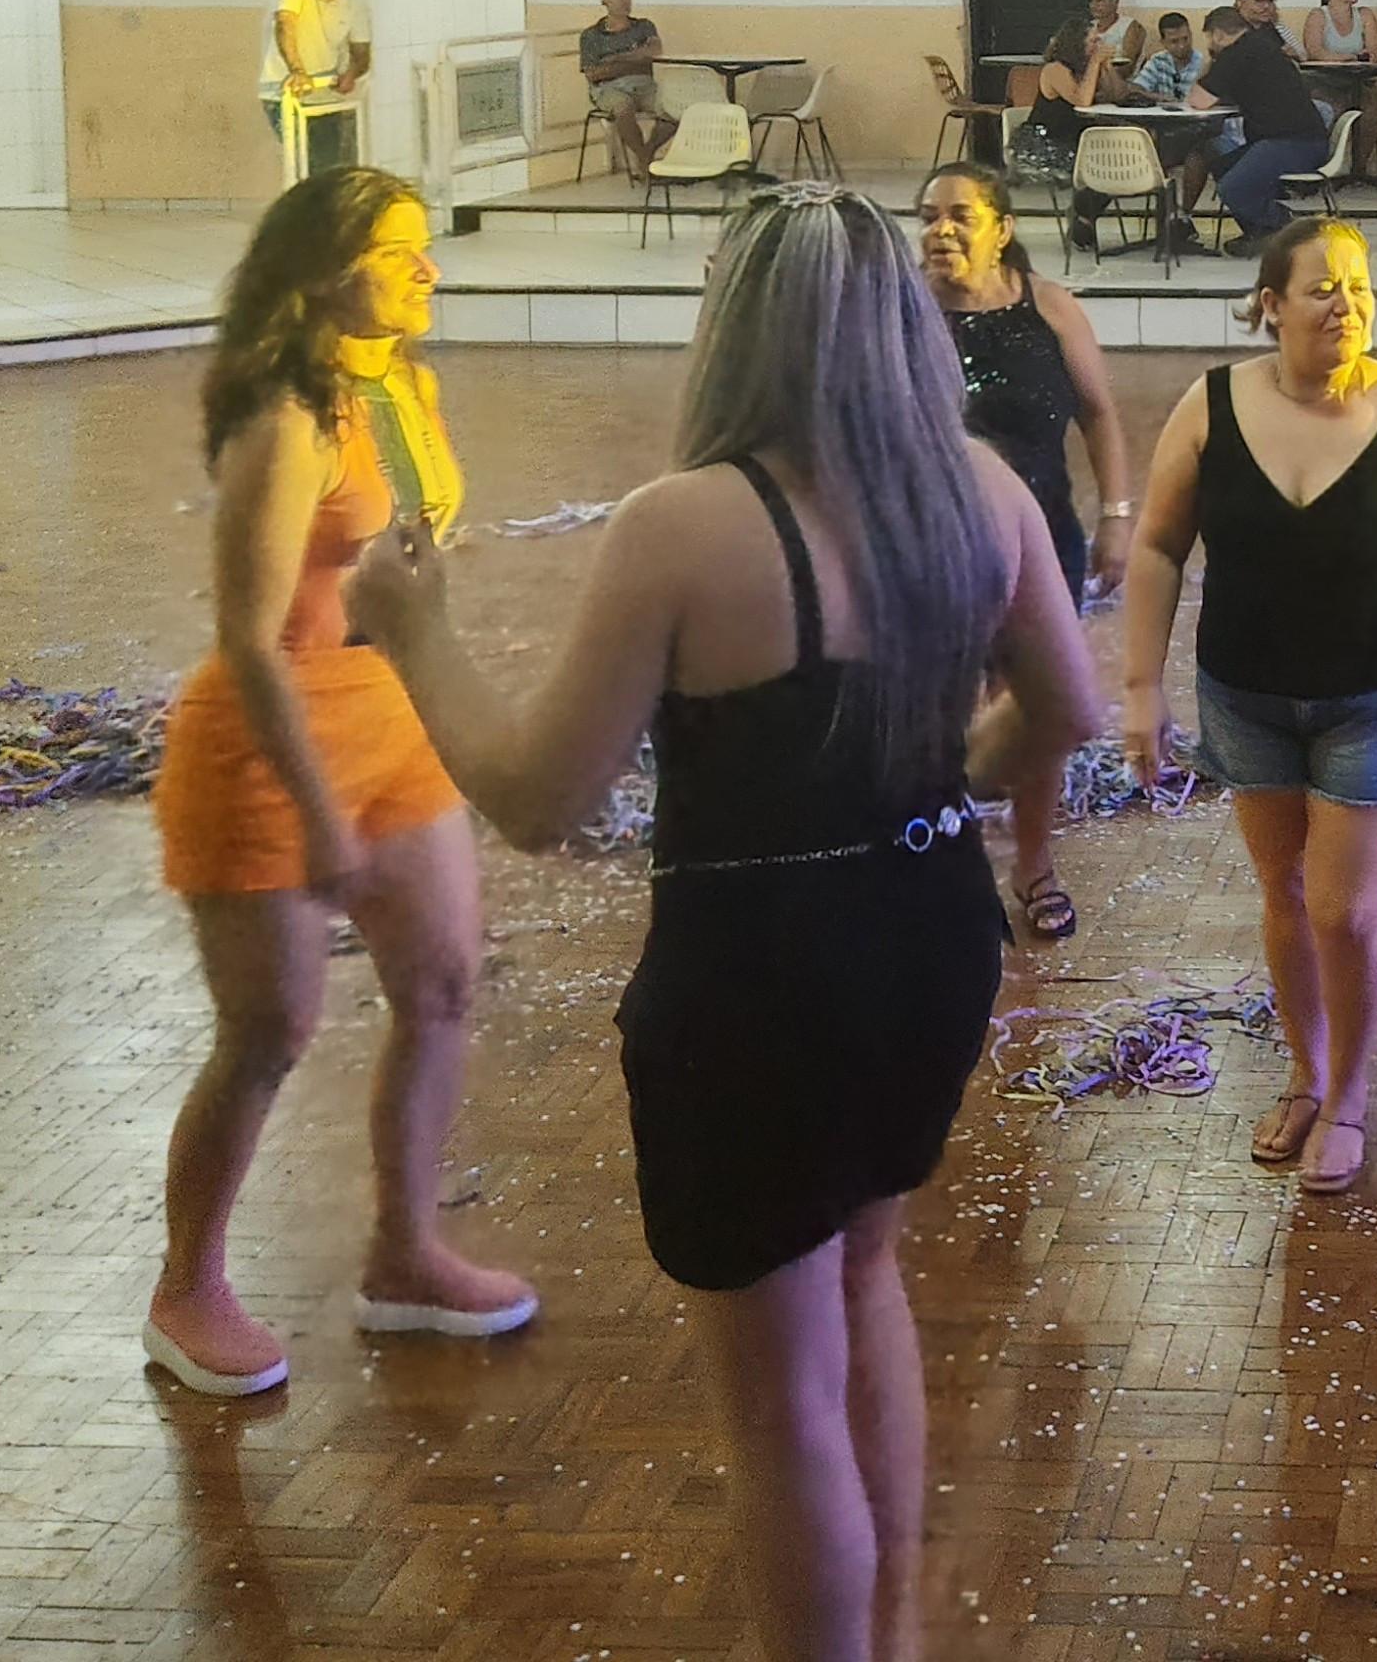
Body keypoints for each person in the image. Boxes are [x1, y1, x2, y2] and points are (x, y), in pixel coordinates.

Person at [348, 187, 1101, 1662]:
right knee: (865, 1269)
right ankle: (886, 1635)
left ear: (734, 331)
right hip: (929, 944)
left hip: (760, 981)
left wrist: (418, 633)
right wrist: (930, 797)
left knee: (774, 1406)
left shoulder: (682, 527)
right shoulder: (981, 494)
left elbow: (539, 798)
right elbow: (1067, 712)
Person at [143, 169, 534, 1399]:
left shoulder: (405, 387)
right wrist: (316, 813)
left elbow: (412, 559)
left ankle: (404, 1255)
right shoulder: (288, 420)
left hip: (388, 719)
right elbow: (252, 637)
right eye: (401, 250)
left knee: (443, 982)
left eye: (426, 248)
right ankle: (187, 1286)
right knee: (270, 1034)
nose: (430, 268)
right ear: (322, 271)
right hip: (269, 742)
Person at [1124, 219, 1377, 1195]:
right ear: (1269, 302)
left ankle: (1346, 1095)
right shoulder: (1210, 405)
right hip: (1244, 694)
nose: (1345, 304)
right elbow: (1160, 546)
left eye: (1358, 286)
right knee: (1284, 894)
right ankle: (1304, 1072)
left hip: (1375, 700)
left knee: (1343, 910)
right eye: (1322, 288)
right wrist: (1138, 688)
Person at [919, 162, 1135, 944]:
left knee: (1037, 709)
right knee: (938, 712)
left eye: (959, 216)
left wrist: (1115, 516)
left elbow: (1100, 415)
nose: (940, 229)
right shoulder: (899, 310)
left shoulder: (1049, 308)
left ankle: (1034, 866)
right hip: (929, 546)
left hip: (1040, 539)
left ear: (1002, 228)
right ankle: (944, 859)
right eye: (928, 215)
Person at [1189, 3, 1331, 241]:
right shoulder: (1263, 45)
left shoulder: (1235, 54)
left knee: (1231, 188)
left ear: (1218, 34)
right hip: (1306, 141)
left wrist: (1211, 62)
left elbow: (1198, 100)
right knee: (1221, 163)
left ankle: (1289, 227)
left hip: (1291, 144)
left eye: (1210, 38)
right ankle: (1259, 234)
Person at [258, 0, 370, 162]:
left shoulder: (353, 4)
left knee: (335, 163)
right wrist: (298, 71)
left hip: (325, 94)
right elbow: (285, 24)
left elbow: (361, 53)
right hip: (284, 93)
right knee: (304, 161)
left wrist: (350, 75)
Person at [1132, 10, 1241, 231]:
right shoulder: (1158, 62)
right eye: (1174, 41)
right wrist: (1160, 97)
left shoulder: (1204, 63)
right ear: (1163, 42)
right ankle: (1175, 220)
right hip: (1166, 129)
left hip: (1196, 129)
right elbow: (1135, 89)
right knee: (1148, 146)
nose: (1181, 46)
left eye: (1185, 39)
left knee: (1168, 152)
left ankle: (1177, 217)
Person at [1007, 17, 1112, 244]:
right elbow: (1081, 101)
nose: (1097, 46)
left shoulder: (1083, 70)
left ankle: (1083, 214)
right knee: (1107, 164)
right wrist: (1095, 63)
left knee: (1118, 159)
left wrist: (1107, 67)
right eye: (1093, 41)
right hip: (1047, 145)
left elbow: (1117, 95)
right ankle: (1083, 215)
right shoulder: (1055, 69)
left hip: (1076, 140)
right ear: (1077, 43)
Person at [581, 0, 678, 184]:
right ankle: (644, 158)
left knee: (675, 109)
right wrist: (634, 60)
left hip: (644, 85)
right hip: (608, 89)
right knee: (623, 108)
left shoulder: (643, 26)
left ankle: (645, 154)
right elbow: (593, 73)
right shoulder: (591, 36)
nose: (624, 1)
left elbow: (654, 50)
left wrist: (616, 59)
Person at [1085, 0, 1147, 87]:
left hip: (1121, 86)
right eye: (1091, 0)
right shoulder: (1088, 28)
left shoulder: (1130, 27)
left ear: (1115, 1)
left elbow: (1126, 68)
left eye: (1099, 0)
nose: (1094, 6)